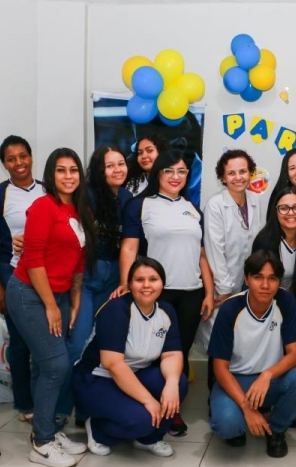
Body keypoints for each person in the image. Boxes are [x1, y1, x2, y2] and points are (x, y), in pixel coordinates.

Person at [5, 148, 96, 467]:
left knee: (48, 365)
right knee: (57, 365)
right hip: (29, 293)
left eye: (74, 170)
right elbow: (33, 260)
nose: (68, 176)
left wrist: (72, 302)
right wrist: (50, 305)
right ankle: (42, 442)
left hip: (57, 294)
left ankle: (46, 432)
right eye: (61, 170)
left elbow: (79, 262)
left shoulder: (82, 211)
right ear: (51, 174)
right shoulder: (43, 207)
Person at [116, 150, 214, 436]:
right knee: (149, 355)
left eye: (181, 171)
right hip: (156, 294)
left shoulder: (193, 209)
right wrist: (125, 283)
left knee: (179, 354)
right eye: (169, 170)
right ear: (157, 173)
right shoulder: (141, 205)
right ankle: (144, 405)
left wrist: (208, 292)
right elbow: (129, 248)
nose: (175, 177)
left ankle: (173, 410)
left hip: (191, 293)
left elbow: (202, 255)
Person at [73, 257, 187, 458]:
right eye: (139, 280)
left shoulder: (166, 311)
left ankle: (149, 439)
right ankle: (98, 429)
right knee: (142, 420)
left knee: (179, 384)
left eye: (153, 279)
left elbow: (172, 354)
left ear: (162, 283)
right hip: (95, 379)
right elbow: (113, 364)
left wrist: (171, 383)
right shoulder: (117, 309)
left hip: (133, 374)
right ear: (130, 284)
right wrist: (148, 401)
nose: (146, 285)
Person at [209, 251, 296, 458]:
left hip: (270, 378)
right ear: (246, 279)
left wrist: (266, 375)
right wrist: (247, 408)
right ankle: (243, 418)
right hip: (235, 379)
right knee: (227, 425)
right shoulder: (230, 309)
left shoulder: (285, 301)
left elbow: (295, 355)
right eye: (258, 277)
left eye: (272, 278)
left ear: (278, 282)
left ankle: (275, 428)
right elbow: (219, 368)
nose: (265, 285)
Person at [58, 145, 134, 426]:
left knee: (104, 348)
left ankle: (87, 406)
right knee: (76, 345)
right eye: (110, 166)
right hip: (85, 279)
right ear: (99, 171)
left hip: (114, 279)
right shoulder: (86, 195)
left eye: (121, 164)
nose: (117, 170)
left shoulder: (127, 198)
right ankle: (60, 409)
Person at [0, 135, 44, 424]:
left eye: (23, 156)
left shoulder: (48, 190)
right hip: (13, 273)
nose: (18, 163)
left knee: (47, 341)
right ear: (4, 164)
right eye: (11, 158)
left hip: (48, 274)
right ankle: (25, 404)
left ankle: (47, 398)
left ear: (31, 157)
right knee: (20, 342)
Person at [252, 187, 296, 364]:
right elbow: (259, 283)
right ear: (276, 211)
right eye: (284, 208)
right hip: (271, 297)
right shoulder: (265, 240)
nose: (291, 213)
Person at [204, 149, 263, 307]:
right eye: (231, 173)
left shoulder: (255, 201)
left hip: (249, 282)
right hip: (223, 286)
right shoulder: (215, 205)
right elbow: (215, 250)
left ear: (250, 173)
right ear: (223, 177)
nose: (238, 178)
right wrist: (224, 288)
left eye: (243, 171)